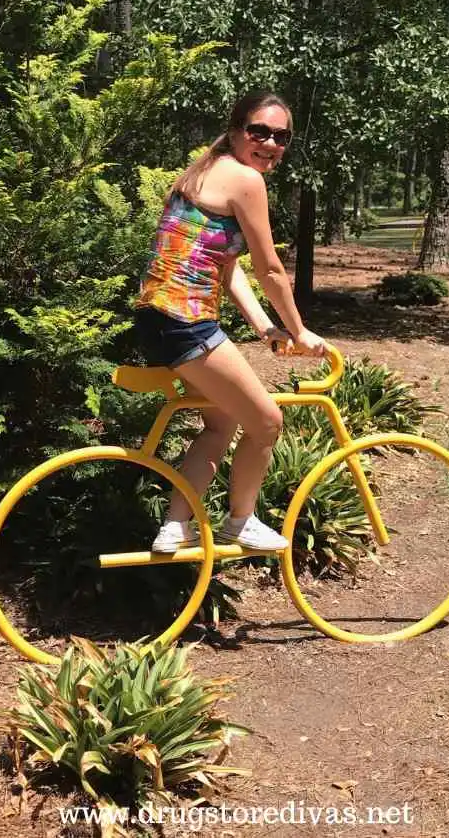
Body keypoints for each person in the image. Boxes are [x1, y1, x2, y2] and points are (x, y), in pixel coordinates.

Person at [134, 89, 325, 553]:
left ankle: (174, 527)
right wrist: (299, 331)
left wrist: (265, 328)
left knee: (220, 426)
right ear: (238, 129)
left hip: (156, 319)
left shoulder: (203, 169)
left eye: (282, 136)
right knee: (266, 423)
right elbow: (272, 270)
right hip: (186, 322)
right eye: (259, 131)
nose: (270, 143)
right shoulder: (245, 180)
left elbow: (228, 269)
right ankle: (241, 520)